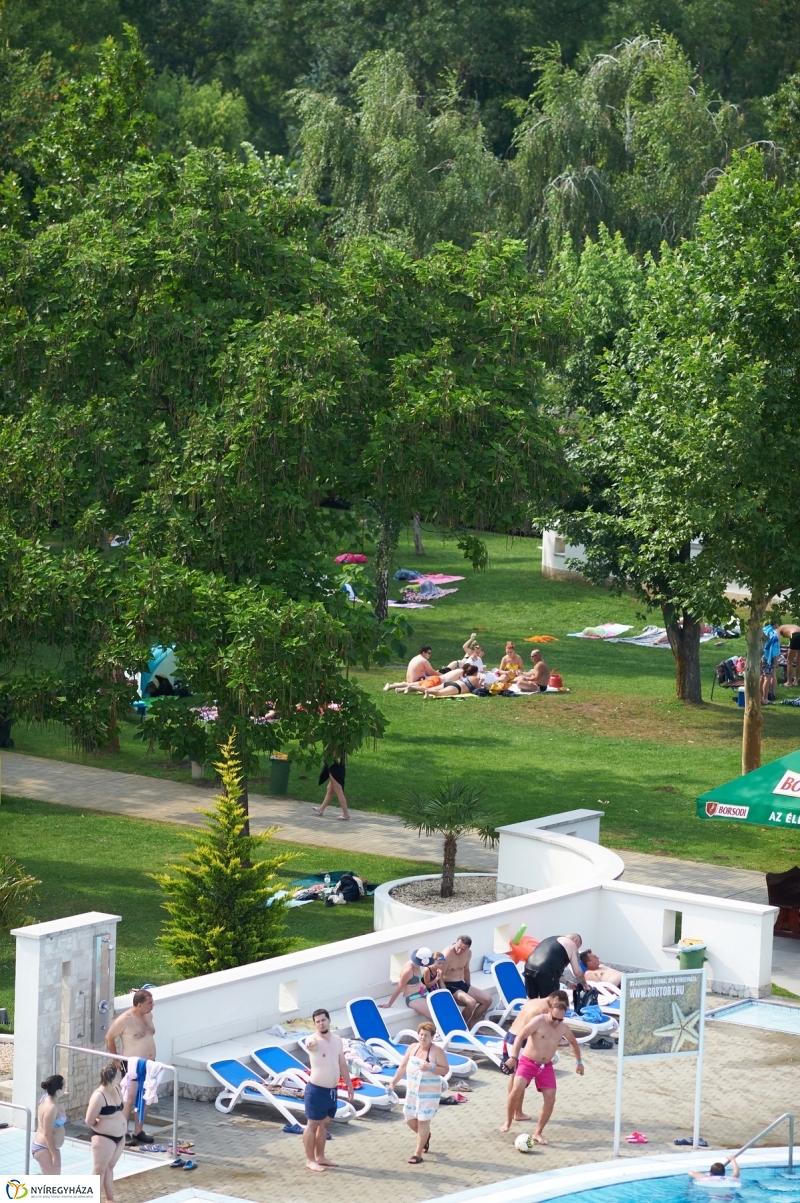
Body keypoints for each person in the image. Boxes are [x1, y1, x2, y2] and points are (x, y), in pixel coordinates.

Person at [500, 990, 584, 1141]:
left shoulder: (562, 1026)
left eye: (560, 1019)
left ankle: (537, 1133)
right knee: (517, 1088)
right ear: (550, 1010)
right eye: (554, 1018)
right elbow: (521, 1036)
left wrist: (579, 1062)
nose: (556, 1022)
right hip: (528, 1061)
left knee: (551, 1099)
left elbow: (573, 1042)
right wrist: (514, 1057)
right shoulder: (539, 1019)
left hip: (545, 1066)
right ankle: (509, 1120)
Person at [302, 1008, 353, 1173]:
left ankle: (321, 1157)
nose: (321, 1023)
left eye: (323, 1020)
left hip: (332, 1090)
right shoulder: (314, 1040)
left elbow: (342, 1064)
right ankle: (310, 1160)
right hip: (316, 1090)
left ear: (329, 1020)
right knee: (312, 1125)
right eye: (317, 1022)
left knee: (325, 1123)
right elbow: (309, 1044)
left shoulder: (338, 1040)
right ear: (314, 1024)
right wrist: (309, 1045)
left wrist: (349, 1083)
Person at [390, 1021, 448, 1164]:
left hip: (429, 1093)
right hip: (413, 1091)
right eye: (421, 1034)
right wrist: (393, 1082)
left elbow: (445, 1069)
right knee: (409, 1118)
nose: (423, 1038)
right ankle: (425, 1137)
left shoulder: (436, 1051)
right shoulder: (412, 1048)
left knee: (423, 1121)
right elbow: (403, 1066)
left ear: (432, 1037)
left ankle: (417, 1153)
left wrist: (431, 1067)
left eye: (426, 1035)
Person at [105, 988, 155, 1143]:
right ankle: (123, 1132)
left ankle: (138, 1131)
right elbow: (109, 1037)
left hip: (149, 1064)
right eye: (149, 1003)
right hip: (131, 1064)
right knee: (129, 1097)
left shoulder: (149, 1015)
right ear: (139, 1005)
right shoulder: (125, 1019)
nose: (152, 1005)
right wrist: (116, 1059)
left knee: (146, 1097)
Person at [85, 1063, 127, 1201]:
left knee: (109, 1168)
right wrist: (102, 1125)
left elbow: (120, 1110)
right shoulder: (98, 1096)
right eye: (120, 1074)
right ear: (113, 1077)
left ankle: (110, 1199)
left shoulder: (116, 1089)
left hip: (119, 1136)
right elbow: (89, 1120)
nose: (122, 1076)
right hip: (104, 1137)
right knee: (99, 1171)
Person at [441, 935, 492, 1027]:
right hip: (448, 985)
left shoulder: (468, 953)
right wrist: (444, 992)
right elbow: (440, 974)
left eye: (463, 949)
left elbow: (466, 970)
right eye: (458, 947)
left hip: (461, 983)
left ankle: (471, 1025)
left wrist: (469, 987)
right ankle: (461, 1027)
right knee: (471, 1003)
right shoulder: (448, 953)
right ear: (456, 942)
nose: (459, 951)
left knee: (487, 1000)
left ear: (468, 948)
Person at [523, 934, 588, 999]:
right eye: (577, 947)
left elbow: (550, 969)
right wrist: (585, 985)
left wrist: (567, 983)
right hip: (546, 971)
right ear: (575, 940)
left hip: (529, 967)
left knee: (531, 1002)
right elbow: (577, 972)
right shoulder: (572, 944)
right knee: (550, 1002)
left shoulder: (551, 939)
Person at [380, 948, 435, 1017]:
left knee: (440, 1010)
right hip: (414, 997)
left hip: (424, 991)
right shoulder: (409, 970)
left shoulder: (417, 965)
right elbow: (399, 987)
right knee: (434, 1016)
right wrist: (389, 1003)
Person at [31, 1074, 66, 1175]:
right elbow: (47, 1133)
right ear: (58, 1091)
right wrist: (54, 1154)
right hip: (44, 1148)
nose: (65, 1088)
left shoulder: (46, 1097)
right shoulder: (50, 1107)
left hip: (49, 1148)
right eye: (64, 1086)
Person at [761, 623, 780, 703]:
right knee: (767, 678)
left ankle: (760, 696)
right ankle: (765, 699)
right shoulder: (773, 633)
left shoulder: (763, 630)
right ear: (775, 624)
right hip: (768, 657)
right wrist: (776, 661)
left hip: (761, 656)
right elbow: (774, 649)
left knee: (761, 677)